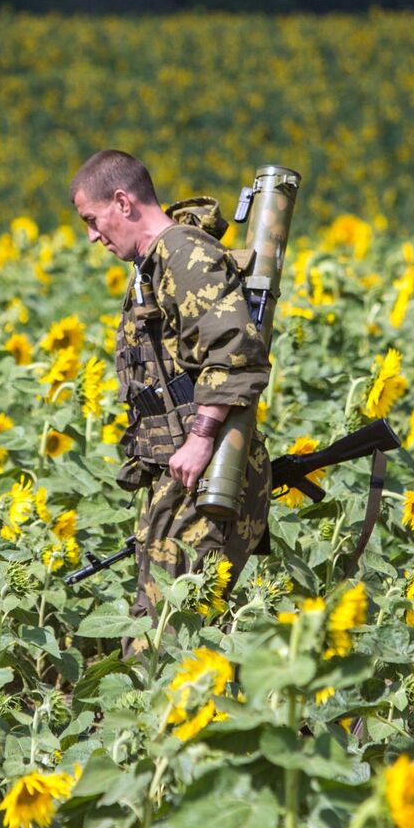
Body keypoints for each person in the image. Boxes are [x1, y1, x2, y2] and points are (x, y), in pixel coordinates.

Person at [69, 150, 271, 620]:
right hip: (182, 473)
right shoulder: (155, 264)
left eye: (92, 219)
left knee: (171, 632)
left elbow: (234, 349)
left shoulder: (185, 255)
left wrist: (201, 437)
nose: (92, 236)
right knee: (166, 626)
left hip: (210, 465)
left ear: (122, 201)